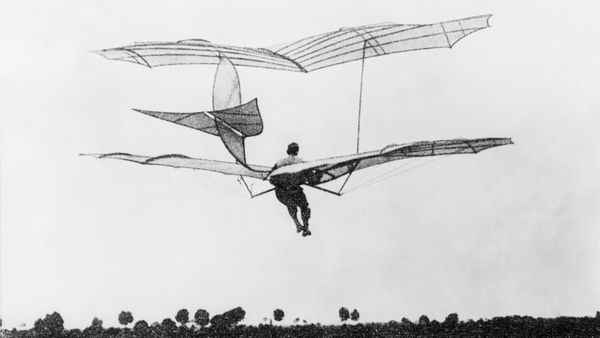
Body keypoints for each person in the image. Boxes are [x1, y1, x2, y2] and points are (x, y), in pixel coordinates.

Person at [269, 142, 312, 237]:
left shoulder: (279, 163)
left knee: (291, 204)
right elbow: (310, 176)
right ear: (297, 151)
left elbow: (271, 179)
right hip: (295, 190)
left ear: (288, 151)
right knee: (304, 206)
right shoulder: (303, 162)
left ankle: (297, 224)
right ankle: (306, 227)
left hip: (282, 192)